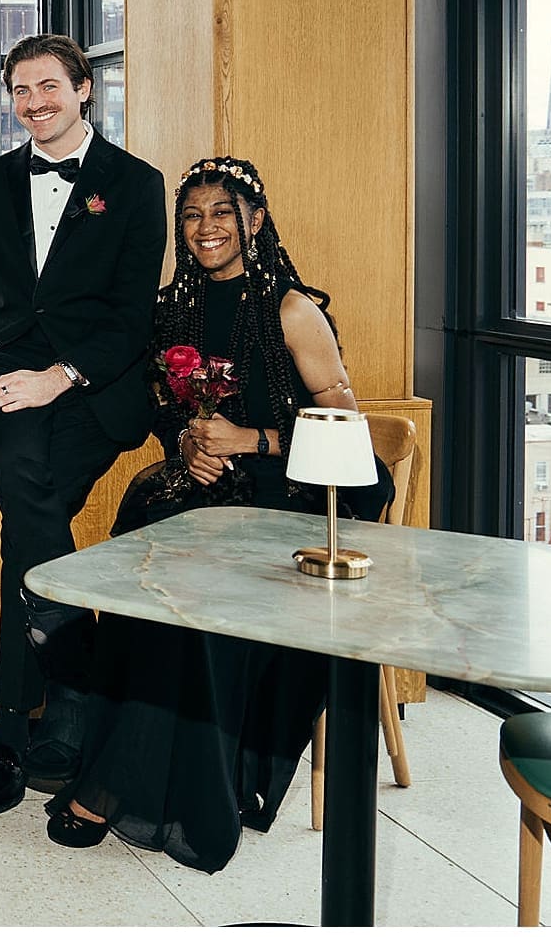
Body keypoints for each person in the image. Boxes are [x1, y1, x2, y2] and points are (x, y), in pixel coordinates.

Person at [45, 156, 393, 870]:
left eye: (222, 213)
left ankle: (122, 783)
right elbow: (164, 411)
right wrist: (188, 443)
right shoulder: (171, 307)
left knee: (187, 600)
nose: (206, 228)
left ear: (255, 221)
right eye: (193, 215)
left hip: (290, 492)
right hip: (202, 488)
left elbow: (346, 429)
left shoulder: (294, 310)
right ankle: (131, 765)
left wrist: (250, 441)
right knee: (144, 580)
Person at [0, 33, 166, 816]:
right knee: (26, 488)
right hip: (10, 379)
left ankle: (16, 727)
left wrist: (61, 376)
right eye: (21, 90)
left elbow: (131, 317)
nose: (35, 103)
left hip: (94, 387)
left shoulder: (137, 183)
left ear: (83, 89)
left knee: (29, 492)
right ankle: (53, 709)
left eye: (49, 86)